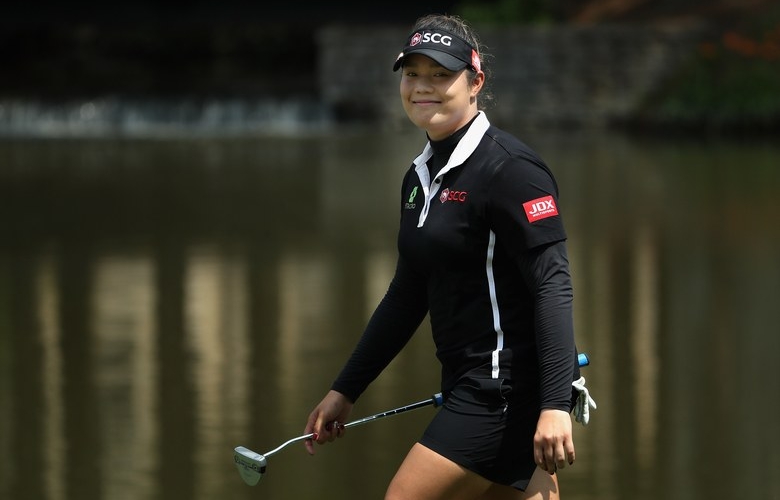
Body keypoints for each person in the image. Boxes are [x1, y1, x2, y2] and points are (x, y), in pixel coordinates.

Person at [304, 13, 593, 500]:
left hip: (502, 391)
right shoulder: (419, 178)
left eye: (440, 75)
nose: (423, 87)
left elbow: (553, 285)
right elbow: (407, 294)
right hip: (474, 388)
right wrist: (345, 390)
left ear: (475, 81)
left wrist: (554, 404)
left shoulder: (512, 170)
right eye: (413, 74)